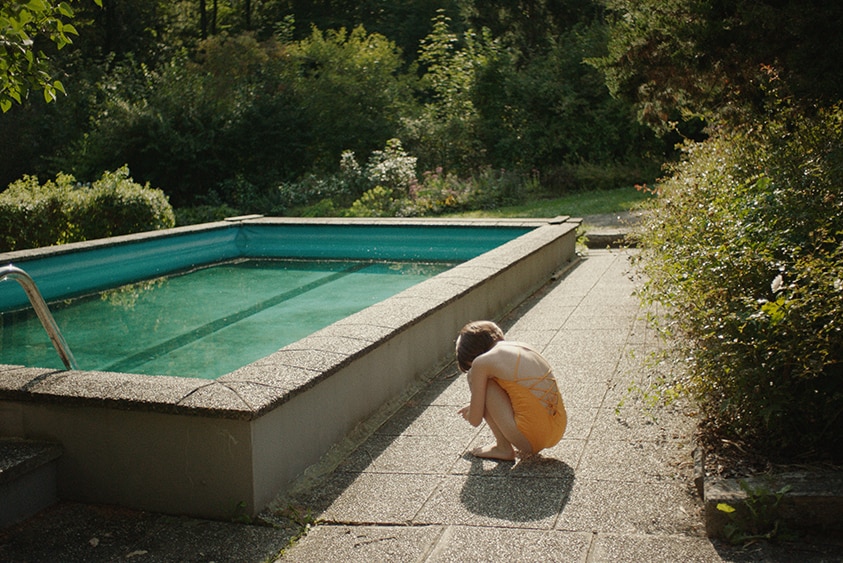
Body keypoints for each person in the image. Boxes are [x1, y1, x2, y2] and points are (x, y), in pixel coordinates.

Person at [456, 320, 566, 461]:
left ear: (473, 355)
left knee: (478, 378)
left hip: (531, 437)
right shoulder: (521, 347)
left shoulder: (481, 363)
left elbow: (475, 420)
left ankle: (503, 447)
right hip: (558, 428)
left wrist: (473, 411)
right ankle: (506, 445)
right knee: (501, 382)